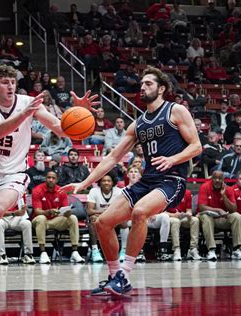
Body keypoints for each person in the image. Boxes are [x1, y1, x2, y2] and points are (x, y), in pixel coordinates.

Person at [0, 64, 98, 295]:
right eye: (5, 82)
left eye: (13, 82)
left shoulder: (28, 102)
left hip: (14, 174)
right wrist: (25, 114)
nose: (11, 86)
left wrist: (79, 112)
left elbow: (61, 129)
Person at [61, 66, 202, 295]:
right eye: (142, 83)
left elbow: (196, 146)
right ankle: (115, 275)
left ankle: (125, 274)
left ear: (161, 88)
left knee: (140, 212)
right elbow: (113, 157)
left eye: (148, 83)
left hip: (171, 179)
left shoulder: (175, 111)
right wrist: (83, 184)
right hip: (147, 181)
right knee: (102, 223)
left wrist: (172, 159)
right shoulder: (137, 124)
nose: (143, 87)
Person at [31, 171, 85, 264]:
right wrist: (48, 212)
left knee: (72, 218)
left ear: (57, 180)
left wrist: (67, 213)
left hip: (56, 220)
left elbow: (64, 209)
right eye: (49, 177)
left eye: (53, 178)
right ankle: (43, 252)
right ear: (45, 179)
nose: (51, 180)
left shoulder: (61, 191)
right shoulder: (37, 190)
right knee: (41, 218)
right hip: (40, 221)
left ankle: (75, 252)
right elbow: (37, 211)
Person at [198, 170, 241, 261]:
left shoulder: (228, 189)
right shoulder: (204, 186)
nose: (217, 180)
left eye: (219, 178)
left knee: (236, 216)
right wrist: (218, 210)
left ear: (223, 179)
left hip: (222, 219)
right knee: (206, 217)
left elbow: (233, 209)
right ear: (211, 178)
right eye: (215, 178)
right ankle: (211, 250)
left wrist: (224, 195)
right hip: (209, 218)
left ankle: (237, 249)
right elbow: (201, 207)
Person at [87, 171, 126, 263]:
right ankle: (95, 250)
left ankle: (123, 250)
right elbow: (89, 211)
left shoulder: (119, 191)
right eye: (104, 181)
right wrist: (105, 212)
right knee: (92, 220)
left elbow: (121, 209)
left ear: (113, 182)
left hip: (113, 217)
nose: (106, 183)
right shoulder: (94, 191)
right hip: (100, 218)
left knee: (124, 222)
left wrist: (108, 213)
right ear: (100, 182)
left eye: (109, 181)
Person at [0, 194, 35, 265]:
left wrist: (23, 210)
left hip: (16, 218)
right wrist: (13, 213)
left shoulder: (20, 192)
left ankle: (28, 254)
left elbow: (22, 211)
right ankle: (2, 255)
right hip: (3, 218)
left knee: (27, 223)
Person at [167, 188, 202, 261]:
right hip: (170, 217)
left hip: (182, 217)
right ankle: (176, 249)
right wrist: (174, 215)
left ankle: (193, 249)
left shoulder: (187, 192)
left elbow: (188, 210)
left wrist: (188, 214)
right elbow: (162, 212)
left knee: (195, 220)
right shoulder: (167, 192)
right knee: (175, 221)